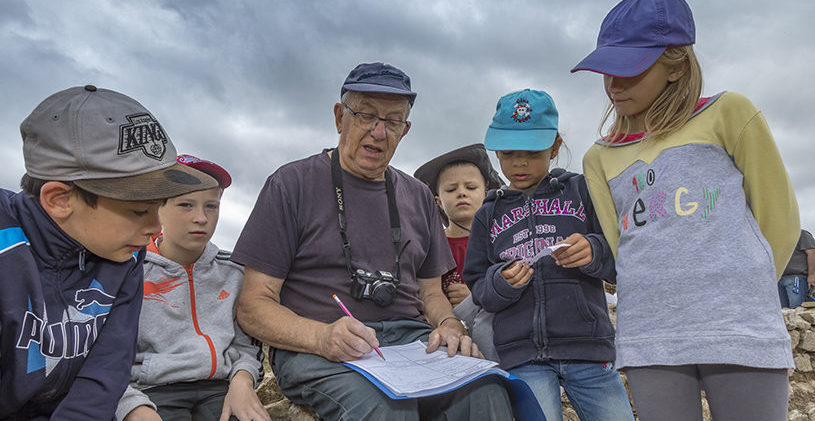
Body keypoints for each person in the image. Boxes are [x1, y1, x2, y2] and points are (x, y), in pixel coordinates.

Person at [231, 62, 513, 421]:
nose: (379, 132)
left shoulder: (419, 196)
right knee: (388, 409)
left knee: (485, 391)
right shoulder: (291, 184)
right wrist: (320, 337)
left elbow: (431, 295)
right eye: (366, 115)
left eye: (393, 121)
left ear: (405, 130)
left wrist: (448, 325)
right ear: (339, 118)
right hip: (320, 349)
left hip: (411, 343)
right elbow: (253, 305)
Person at [572, 0, 800, 419]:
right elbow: (622, 248)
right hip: (650, 337)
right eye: (608, 69)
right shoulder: (598, 157)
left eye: (631, 68)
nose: (614, 84)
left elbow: (779, 219)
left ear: (676, 65)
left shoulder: (729, 113)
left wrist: (741, 291)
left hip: (739, 327)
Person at [0, 86, 220, 419]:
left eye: (159, 207)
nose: (155, 228)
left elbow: (106, 370)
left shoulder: (125, 254)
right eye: (137, 211)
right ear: (60, 199)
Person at [463, 89, 634, 421]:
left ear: (555, 146)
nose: (520, 162)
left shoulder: (582, 190)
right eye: (509, 153)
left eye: (532, 151)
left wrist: (594, 250)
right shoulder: (488, 214)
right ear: (496, 152)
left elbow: (619, 258)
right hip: (523, 355)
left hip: (588, 348)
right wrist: (500, 283)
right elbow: (478, 284)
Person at [116, 154, 267, 421]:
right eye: (185, 205)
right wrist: (131, 406)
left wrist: (243, 380)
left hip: (221, 388)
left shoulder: (234, 271)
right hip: (152, 391)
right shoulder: (128, 272)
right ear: (157, 208)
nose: (201, 218)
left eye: (211, 206)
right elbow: (105, 357)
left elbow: (247, 344)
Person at [413, 144, 503, 362]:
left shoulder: (499, 240)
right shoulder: (432, 243)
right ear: (438, 201)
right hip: (443, 326)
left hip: (493, 328)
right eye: (451, 190)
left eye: (471, 187)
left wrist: (476, 297)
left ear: (486, 193)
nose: (462, 193)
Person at [778, 229, 815, 308]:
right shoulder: (777, 237)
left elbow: (812, 252)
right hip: (779, 279)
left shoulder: (801, 234)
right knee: (783, 313)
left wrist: (812, 275)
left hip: (796, 278)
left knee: (797, 309)